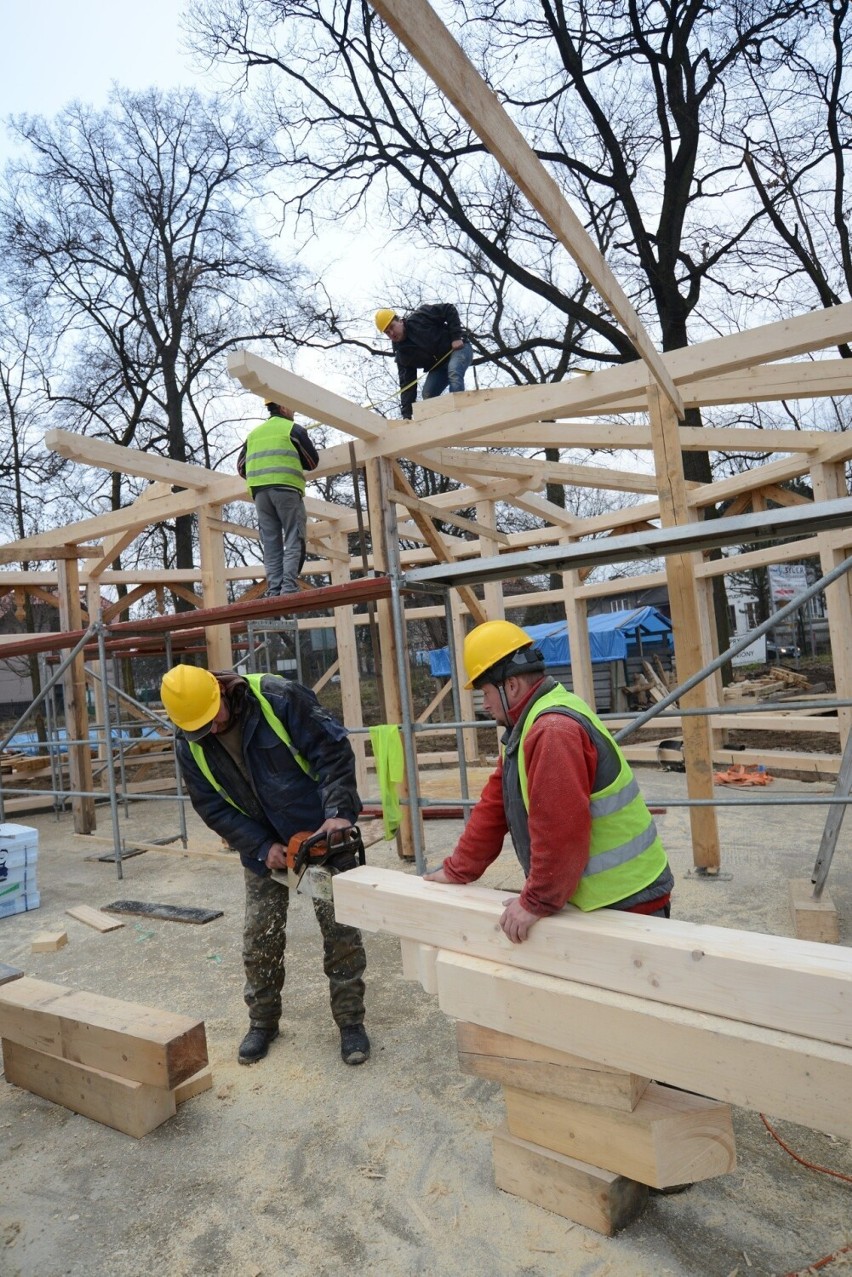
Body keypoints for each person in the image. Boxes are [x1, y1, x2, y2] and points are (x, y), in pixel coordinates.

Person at [159, 663, 370, 1067]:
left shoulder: (278, 698)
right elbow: (212, 807)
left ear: (221, 692)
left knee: (340, 932)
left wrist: (339, 813)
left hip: (320, 836)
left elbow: (332, 752)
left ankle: (350, 1023)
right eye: (200, 728)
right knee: (261, 939)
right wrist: (260, 846)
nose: (212, 730)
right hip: (264, 846)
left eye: (213, 719)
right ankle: (263, 1023)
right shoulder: (190, 739)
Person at [424, 620, 673, 943]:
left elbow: (560, 827)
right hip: (601, 901)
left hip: (629, 902)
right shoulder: (529, 724)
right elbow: (496, 803)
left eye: (485, 693)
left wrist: (536, 901)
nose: (483, 705)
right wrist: (459, 869)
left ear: (510, 685)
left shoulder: (552, 730)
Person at [237, 401, 319, 596]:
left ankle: (274, 590)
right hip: (286, 489)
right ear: (283, 407)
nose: (294, 412)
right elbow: (312, 461)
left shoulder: (253, 435)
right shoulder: (293, 429)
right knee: (293, 536)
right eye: (292, 408)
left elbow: (241, 468)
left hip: (260, 494)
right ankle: (289, 587)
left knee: (271, 542)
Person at [375, 304, 473, 420]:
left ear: (400, 321)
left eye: (392, 327)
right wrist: (407, 415)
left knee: (454, 372)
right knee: (428, 394)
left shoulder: (421, 316)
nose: (391, 333)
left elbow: (448, 309)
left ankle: (460, 415)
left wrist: (456, 337)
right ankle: (441, 423)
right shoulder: (402, 354)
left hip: (458, 349)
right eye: (387, 332)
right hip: (439, 367)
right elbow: (407, 384)